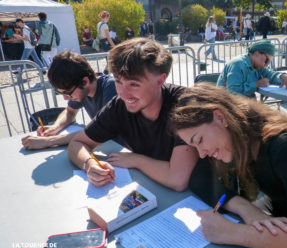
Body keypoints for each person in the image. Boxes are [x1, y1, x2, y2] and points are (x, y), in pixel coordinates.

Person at [172, 83, 287, 248]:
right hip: (281, 220)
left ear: (220, 117)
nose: (201, 153)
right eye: (194, 146)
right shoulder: (238, 136)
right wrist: (246, 209)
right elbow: (199, 177)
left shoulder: (286, 146)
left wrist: (232, 232)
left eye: (199, 140)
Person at [67, 38, 198, 190]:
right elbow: (77, 143)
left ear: (160, 80)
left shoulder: (184, 105)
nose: (123, 93)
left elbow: (178, 179)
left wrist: (137, 160)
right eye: (118, 81)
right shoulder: (119, 105)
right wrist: (89, 164)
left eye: (134, 84)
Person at [21, 51, 117, 150]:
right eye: (61, 93)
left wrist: (49, 141)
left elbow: (101, 130)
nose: (65, 98)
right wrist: (55, 127)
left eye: (67, 93)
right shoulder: (81, 90)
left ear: (85, 82)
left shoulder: (111, 87)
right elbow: (70, 112)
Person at [217, 40, 287, 98]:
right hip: (227, 106)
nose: (266, 65)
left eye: (269, 62)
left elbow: (270, 74)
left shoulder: (258, 65)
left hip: (245, 104)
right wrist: (256, 84)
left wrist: (282, 76)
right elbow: (233, 92)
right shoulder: (238, 64)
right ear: (257, 53)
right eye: (267, 60)